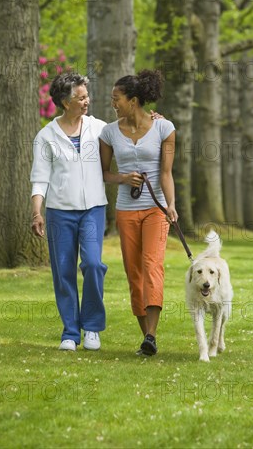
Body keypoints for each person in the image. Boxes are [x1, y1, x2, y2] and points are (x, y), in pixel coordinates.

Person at [99, 69, 178, 356]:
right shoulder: (108, 132)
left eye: (116, 98)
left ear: (133, 100)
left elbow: (167, 173)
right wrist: (122, 178)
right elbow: (105, 174)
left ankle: (152, 334)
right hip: (126, 210)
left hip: (155, 210)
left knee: (152, 266)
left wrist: (171, 205)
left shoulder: (164, 128)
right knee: (134, 273)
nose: (113, 103)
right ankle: (147, 337)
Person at [30, 72, 108, 351]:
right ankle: (70, 333)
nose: (87, 101)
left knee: (92, 264)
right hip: (59, 212)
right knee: (63, 272)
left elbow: (127, 131)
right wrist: (37, 212)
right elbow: (40, 178)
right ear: (65, 102)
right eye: (81, 97)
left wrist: (151, 120)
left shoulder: (98, 127)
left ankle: (93, 327)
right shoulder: (45, 136)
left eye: (87, 96)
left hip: (93, 209)